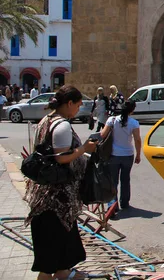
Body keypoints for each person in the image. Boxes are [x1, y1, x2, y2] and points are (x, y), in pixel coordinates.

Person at [24, 85, 98, 280]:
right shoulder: (62, 125)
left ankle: (65, 273)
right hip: (57, 200)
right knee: (49, 261)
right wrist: (84, 148)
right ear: (69, 103)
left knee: (60, 252)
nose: (79, 110)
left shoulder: (45, 121)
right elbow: (61, 158)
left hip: (46, 197)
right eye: (78, 105)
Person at [100, 100, 141, 211]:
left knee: (113, 180)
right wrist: (138, 155)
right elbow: (137, 140)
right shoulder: (134, 123)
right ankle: (125, 202)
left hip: (114, 154)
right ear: (132, 110)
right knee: (125, 179)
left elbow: (103, 135)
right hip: (128, 154)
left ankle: (112, 205)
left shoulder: (112, 120)